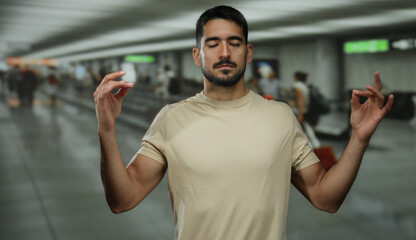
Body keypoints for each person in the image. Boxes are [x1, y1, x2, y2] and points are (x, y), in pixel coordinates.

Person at [93, 5, 394, 240]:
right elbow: (123, 199)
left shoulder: (279, 116)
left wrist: (359, 139)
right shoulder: (172, 118)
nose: (224, 52)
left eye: (234, 43)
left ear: (248, 52)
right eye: (213, 44)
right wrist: (106, 129)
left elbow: (325, 197)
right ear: (197, 56)